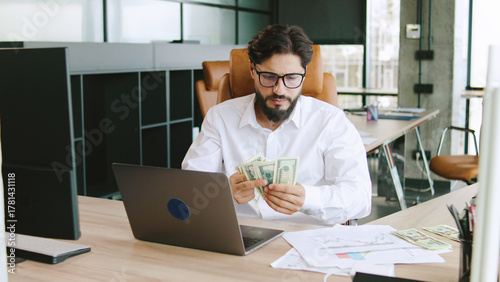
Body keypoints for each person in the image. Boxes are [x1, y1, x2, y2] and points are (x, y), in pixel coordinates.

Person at [182, 24, 371, 225]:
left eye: (291, 78)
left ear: (304, 75)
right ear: (252, 70)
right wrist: (224, 192)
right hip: (240, 235)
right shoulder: (220, 118)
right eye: (269, 77)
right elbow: (189, 189)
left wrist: (308, 198)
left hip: (308, 239)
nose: (279, 90)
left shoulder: (331, 121)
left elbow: (360, 198)